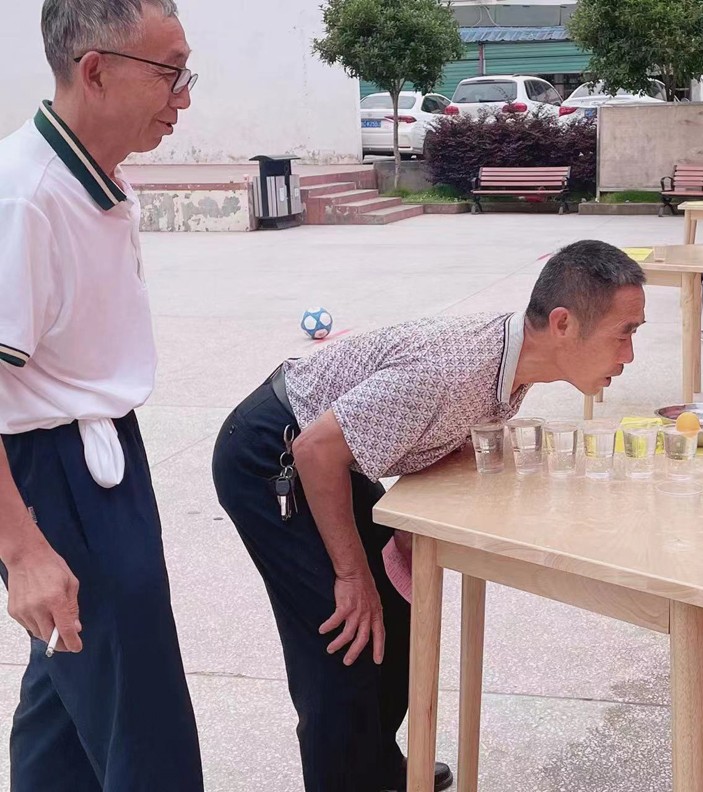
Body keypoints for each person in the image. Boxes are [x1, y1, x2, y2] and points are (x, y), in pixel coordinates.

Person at [211, 240, 647, 792]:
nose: (630, 354)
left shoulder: (514, 363)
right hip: (272, 456)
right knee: (344, 640)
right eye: (624, 332)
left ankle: (376, 769)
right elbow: (316, 451)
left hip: (330, 450)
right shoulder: (452, 371)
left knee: (397, 618)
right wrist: (352, 576)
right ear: (563, 324)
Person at [0, 2, 203, 790]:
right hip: (56, 474)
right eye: (170, 73)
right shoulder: (26, 196)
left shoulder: (94, 177)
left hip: (98, 453)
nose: (183, 96)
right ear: (95, 71)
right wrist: (23, 552)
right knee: (145, 730)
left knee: (67, 704)